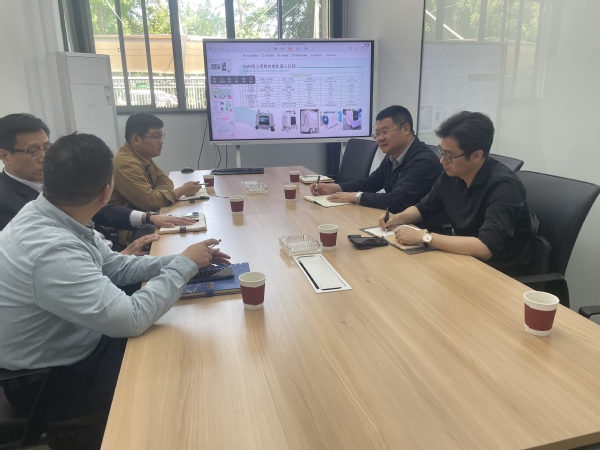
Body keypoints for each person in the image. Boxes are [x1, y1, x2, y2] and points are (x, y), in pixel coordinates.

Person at [0, 132, 230, 434]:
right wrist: (184, 266)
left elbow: (115, 266)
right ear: (107, 192)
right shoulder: (51, 249)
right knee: (184, 380)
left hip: (76, 345)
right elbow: (130, 319)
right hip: (50, 382)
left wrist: (183, 260)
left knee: (180, 344)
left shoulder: (47, 213)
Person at [0, 113, 194, 255]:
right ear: (5, 156)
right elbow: (59, 262)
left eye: (46, 147)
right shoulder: (7, 205)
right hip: (95, 267)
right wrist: (121, 257)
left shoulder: (54, 178)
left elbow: (97, 207)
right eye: (33, 151)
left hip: (108, 252)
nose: (44, 157)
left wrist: (148, 218)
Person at [379, 111, 538, 276]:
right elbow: (424, 207)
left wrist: (425, 237)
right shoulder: (451, 175)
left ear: (476, 155)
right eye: (442, 152)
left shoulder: (504, 187)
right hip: (463, 260)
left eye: (449, 156)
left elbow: (485, 248)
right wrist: (397, 218)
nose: (442, 161)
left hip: (499, 273)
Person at [310, 105, 442, 212]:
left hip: (421, 230)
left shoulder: (424, 162)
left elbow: (397, 201)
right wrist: (335, 188)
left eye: (385, 132)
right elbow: (371, 183)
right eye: (377, 134)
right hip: (395, 221)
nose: (379, 139)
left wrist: (356, 197)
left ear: (406, 129)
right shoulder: (392, 156)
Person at [109, 112, 201, 212]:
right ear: (136, 139)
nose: (161, 141)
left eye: (161, 136)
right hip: (125, 221)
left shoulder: (142, 157)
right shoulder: (126, 164)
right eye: (156, 136)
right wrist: (183, 190)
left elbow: (166, 181)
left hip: (144, 216)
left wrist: (157, 196)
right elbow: (151, 203)